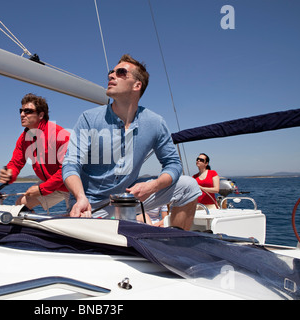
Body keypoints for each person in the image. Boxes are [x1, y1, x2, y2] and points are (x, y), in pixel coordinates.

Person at [62, 54, 201, 230]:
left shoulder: (155, 123)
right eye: (111, 72)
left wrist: (152, 186)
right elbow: (70, 164)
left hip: (128, 199)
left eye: (120, 72)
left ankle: (174, 246)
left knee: (189, 186)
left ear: (137, 85)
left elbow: (173, 164)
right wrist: (80, 197)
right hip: (90, 205)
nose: (111, 75)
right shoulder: (89, 119)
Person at [0, 93, 70, 211]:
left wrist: (42, 189)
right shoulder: (24, 138)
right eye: (21, 111)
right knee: (21, 205)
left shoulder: (59, 135)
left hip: (71, 183)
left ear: (41, 115)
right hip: (51, 183)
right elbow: (16, 163)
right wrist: (10, 173)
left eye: (27, 111)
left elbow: (66, 170)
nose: (22, 114)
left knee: (75, 218)